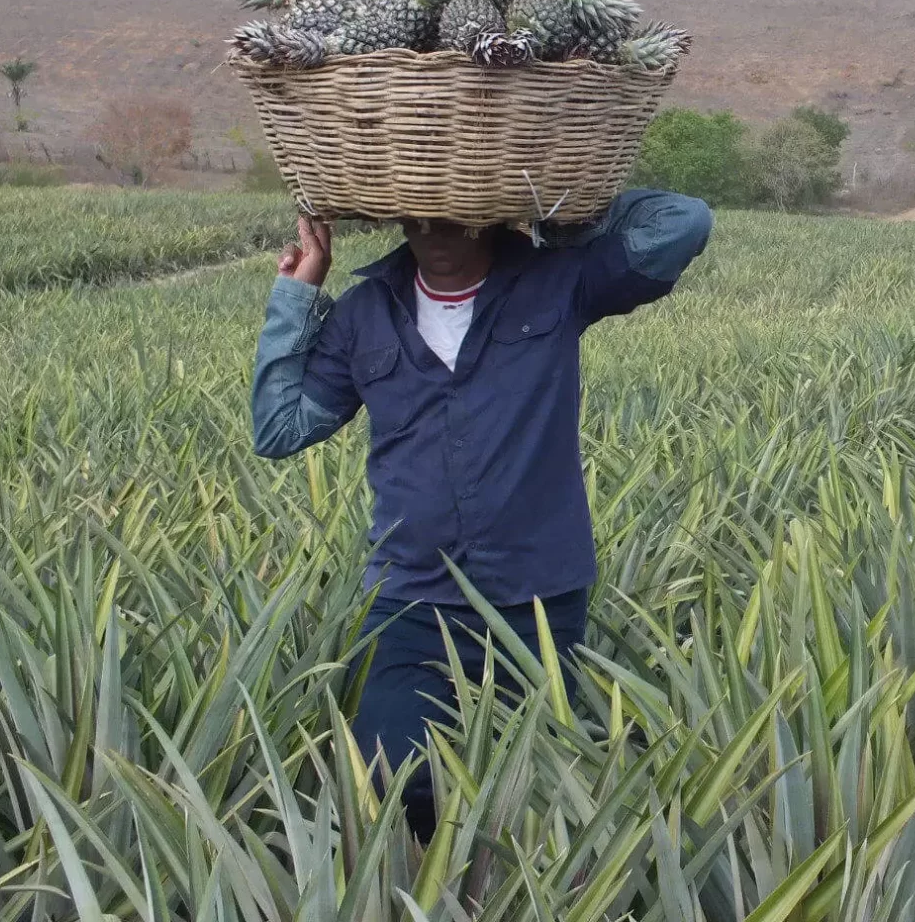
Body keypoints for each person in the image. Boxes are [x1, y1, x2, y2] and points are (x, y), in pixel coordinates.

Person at [251, 190, 711, 843]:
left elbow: (684, 221)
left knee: (537, 788)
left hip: (537, 600)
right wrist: (297, 295)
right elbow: (278, 427)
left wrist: (559, 201)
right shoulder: (364, 314)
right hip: (412, 601)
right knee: (386, 777)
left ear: (489, 206)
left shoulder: (558, 283)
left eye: (454, 205)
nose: (435, 225)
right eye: (418, 205)